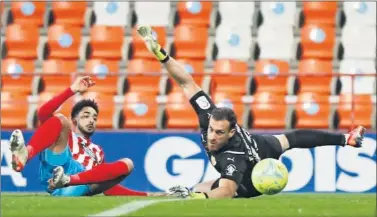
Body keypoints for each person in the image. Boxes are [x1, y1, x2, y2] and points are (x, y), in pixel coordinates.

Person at [136, 25, 366, 199]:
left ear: (232, 133)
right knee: (291, 139)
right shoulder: (210, 116)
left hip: (251, 182)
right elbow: (187, 83)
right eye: (211, 130)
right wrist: (162, 56)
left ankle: (191, 193)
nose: (212, 136)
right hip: (262, 145)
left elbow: (226, 190)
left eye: (219, 133)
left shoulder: (232, 157)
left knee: (202, 192)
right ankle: (349, 138)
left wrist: (200, 198)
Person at [9, 76, 157, 197]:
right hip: (58, 167)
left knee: (128, 163)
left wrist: (146, 195)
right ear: (75, 120)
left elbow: (108, 187)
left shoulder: (97, 151)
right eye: (86, 116)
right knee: (59, 120)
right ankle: (25, 154)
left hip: (77, 185)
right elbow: (43, 114)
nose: (91, 120)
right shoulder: (66, 134)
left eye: (94, 117)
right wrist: (72, 90)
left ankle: (66, 180)